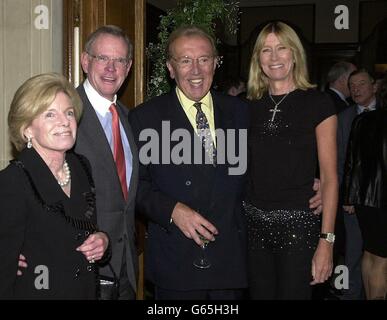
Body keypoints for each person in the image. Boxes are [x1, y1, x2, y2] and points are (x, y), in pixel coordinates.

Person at [129, 25, 250, 300]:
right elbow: (135, 185)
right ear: (171, 68)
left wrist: (304, 185)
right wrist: (172, 210)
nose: (196, 70)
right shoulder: (145, 118)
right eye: (185, 61)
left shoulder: (241, 112)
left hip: (228, 261)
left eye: (204, 59)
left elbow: (257, 174)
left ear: (216, 63)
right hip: (176, 262)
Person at [245, 21, 338, 299]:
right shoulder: (246, 107)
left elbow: (331, 177)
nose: (274, 57)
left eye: (282, 48)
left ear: (294, 53)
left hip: (298, 229)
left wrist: (327, 242)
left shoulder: (318, 104)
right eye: (266, 50)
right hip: (253, 228)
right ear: (257, 60)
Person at [0, 73, 109, 299]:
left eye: (69, 113)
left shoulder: (80, 166)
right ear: (27, 129)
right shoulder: (14, 180)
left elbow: (87, 228)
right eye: (50, 114)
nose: (64, 121)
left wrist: (103, 241)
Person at [75, 25, 139, 299]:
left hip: (126, 270)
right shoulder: (65, 113)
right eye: (103, 58)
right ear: (85, 61)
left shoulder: (128, 118)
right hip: (81, 269)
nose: (111, 68)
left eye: (120, 60)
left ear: (129, 66)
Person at [342, 75, 387, 300]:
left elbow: (352, 162)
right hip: (382, 201)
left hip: (364, 201)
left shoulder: (363, 120)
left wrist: (350, 197)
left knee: (370, 252)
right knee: (382, 258)